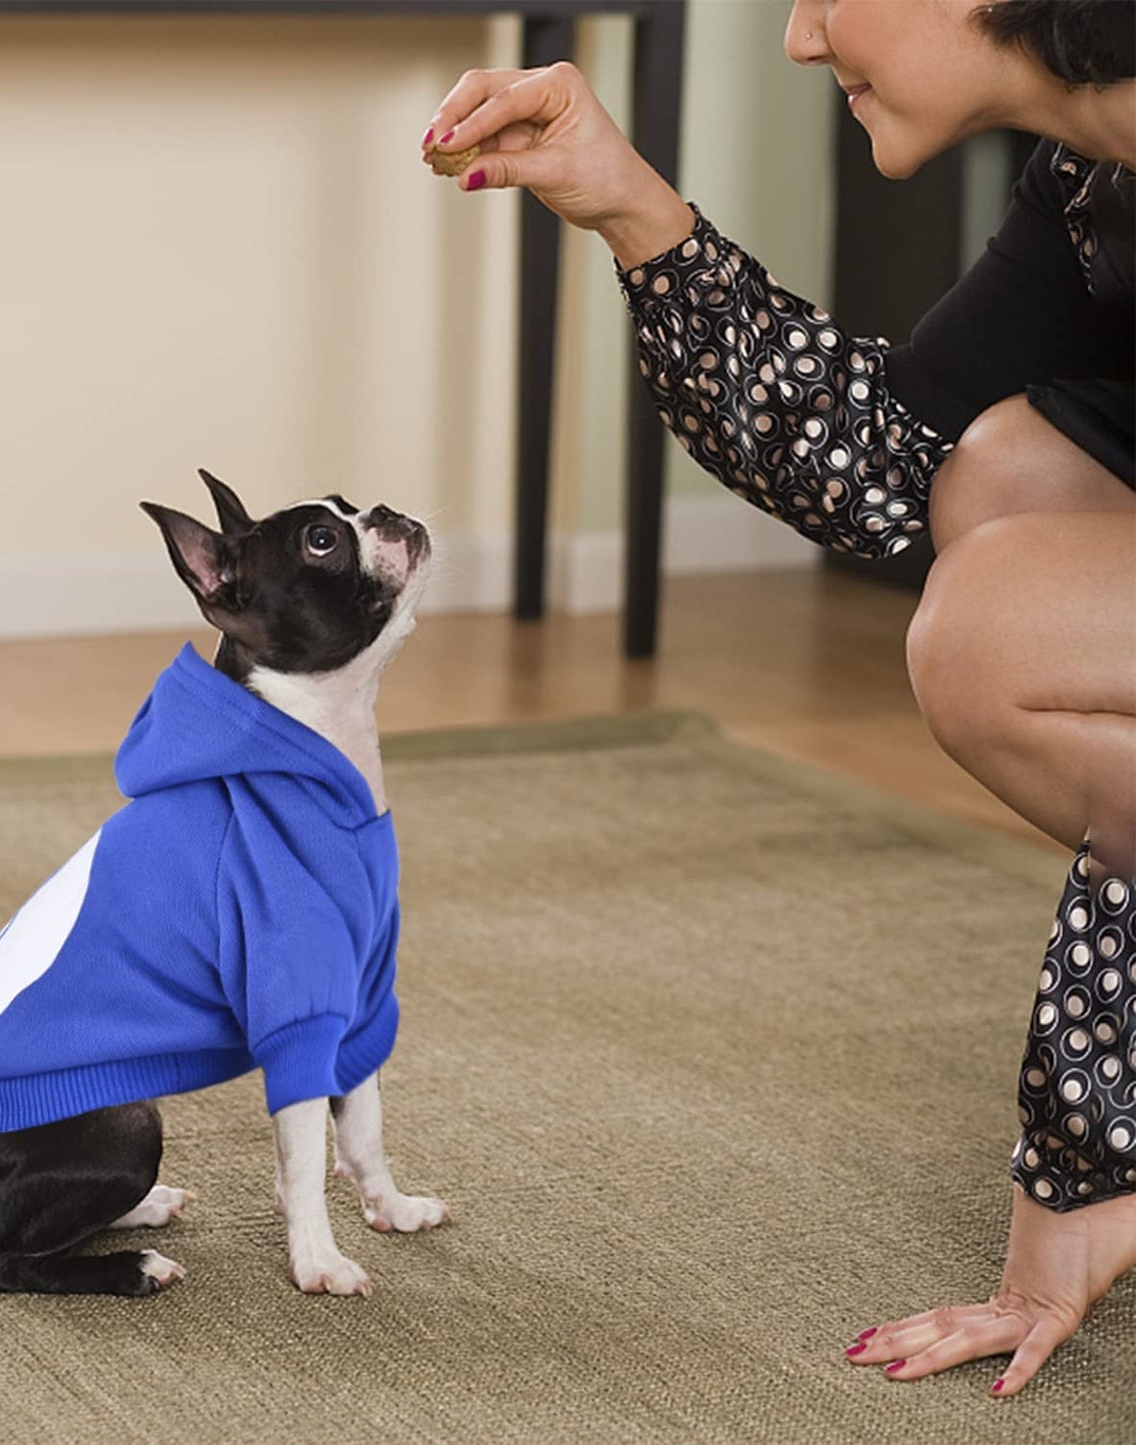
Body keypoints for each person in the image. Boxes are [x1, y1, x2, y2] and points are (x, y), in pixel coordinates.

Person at [422, 0, 1135, 1399]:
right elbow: (874, 453)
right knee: (991, 474)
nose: (801, 37)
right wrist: (631, 209)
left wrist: (1091, 1134)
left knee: (992, 631)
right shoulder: (1092, 177)